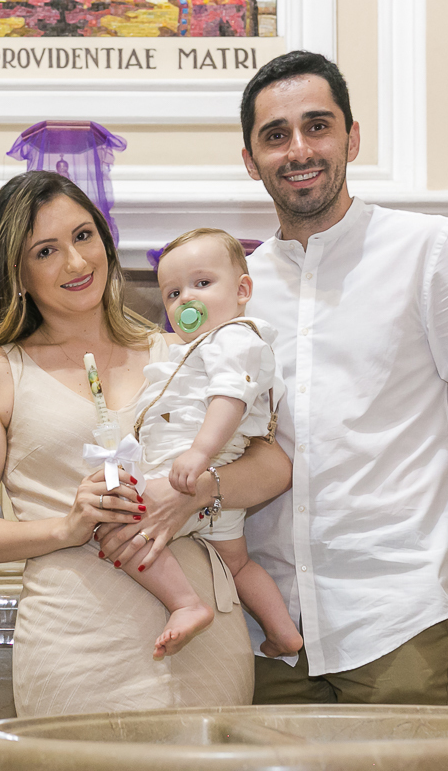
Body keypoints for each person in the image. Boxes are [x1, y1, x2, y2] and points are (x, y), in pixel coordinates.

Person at [238, 51, 448, 705]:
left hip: (395, 622)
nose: (299, 150)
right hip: (267, 635)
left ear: (352, 138)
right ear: (250, 159)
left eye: (317, 126)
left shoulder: (430, 250)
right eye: (276, 135)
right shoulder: (242, 288)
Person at [0, 171, 292, 716]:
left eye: (84, 236)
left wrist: (197, 490)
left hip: (206, 646)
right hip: (77, 645)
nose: (76, 262)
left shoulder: (180, 349)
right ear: (18, 274)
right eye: (46, 251)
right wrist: (67, 527)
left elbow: (273, 466)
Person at [118, 227, 303, 660]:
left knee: (120, 532)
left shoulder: (233, 338)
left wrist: (200, 452)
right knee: (236, 564)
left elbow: (230, 396)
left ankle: (185, 604)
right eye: (173, 293)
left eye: (202, 283)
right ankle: (284, 633)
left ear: (242, 291)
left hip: (190, 472)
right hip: (219, 490)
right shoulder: (203, 347)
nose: (186, 299)